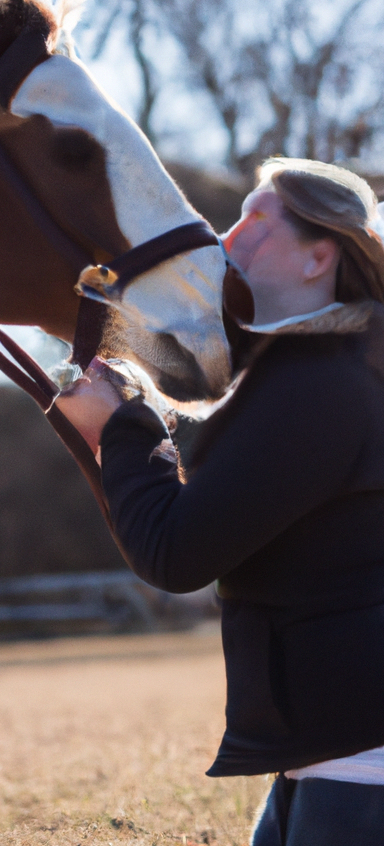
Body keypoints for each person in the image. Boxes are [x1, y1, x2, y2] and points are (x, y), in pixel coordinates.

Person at [56, 158, 384, 845]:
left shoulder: (321, 386)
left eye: (257, 219)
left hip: (361, 757)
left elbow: (175, 552)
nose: (228, 239)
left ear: (319, 255)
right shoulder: (314, 373)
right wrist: (127, 416)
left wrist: (119, 429)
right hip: (327, 750)